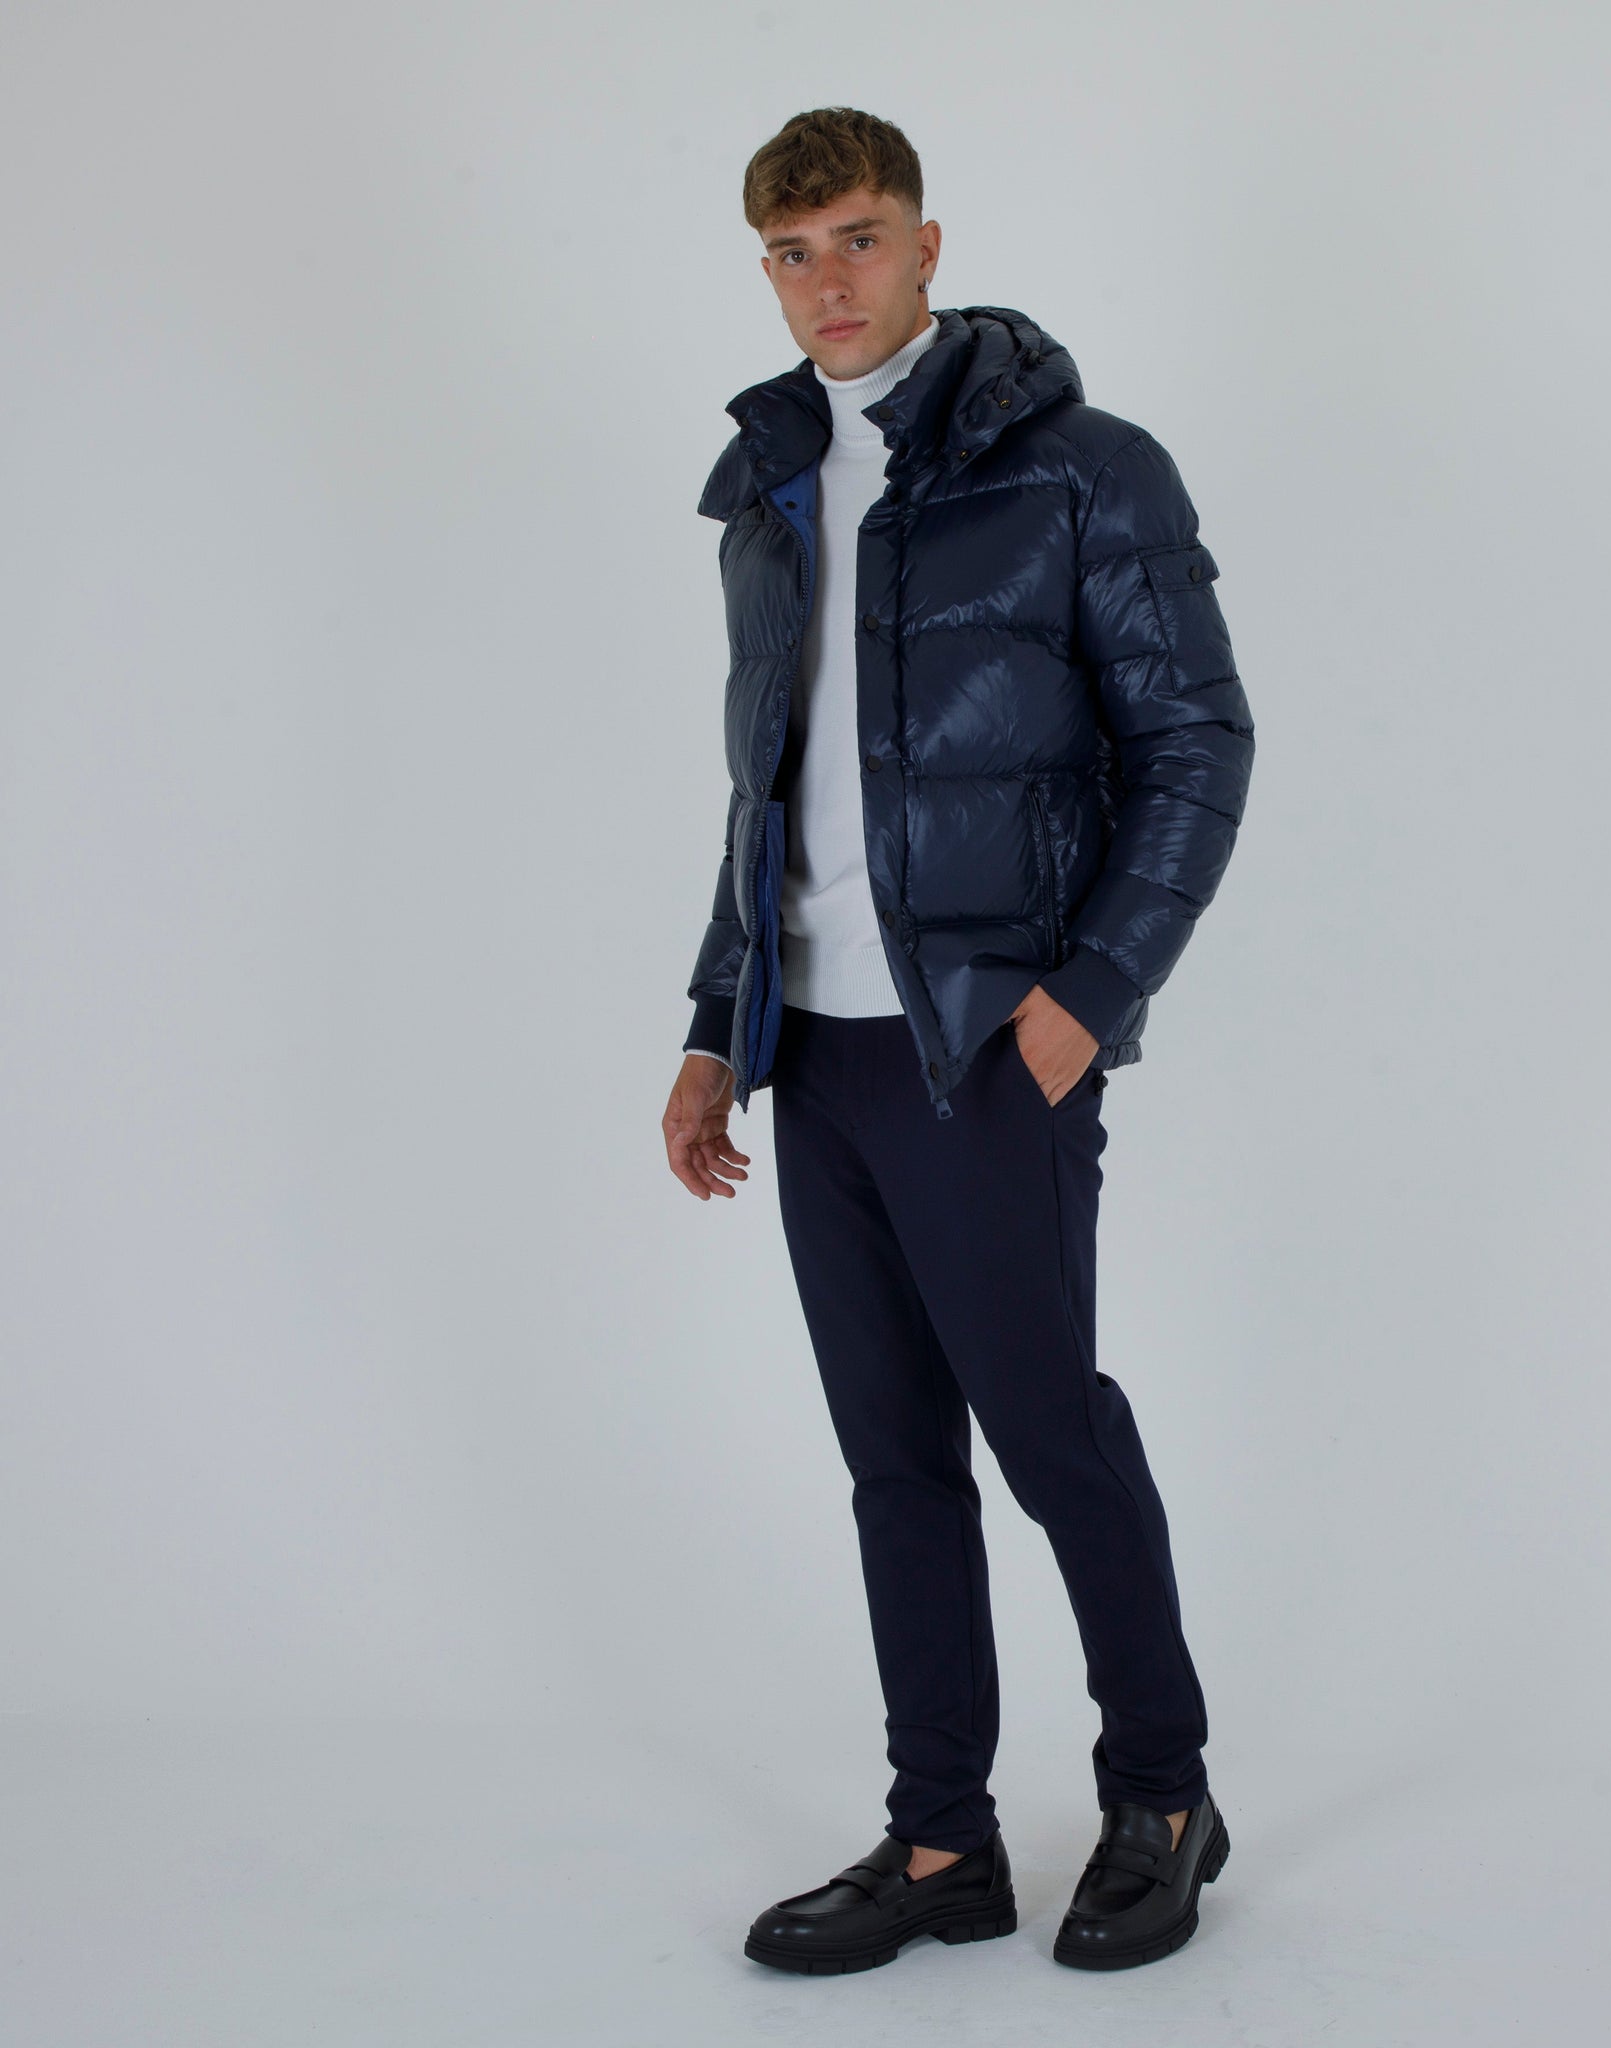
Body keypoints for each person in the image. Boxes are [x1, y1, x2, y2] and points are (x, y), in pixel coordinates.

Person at [661, 106, 1254, 1975]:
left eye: (856, 238)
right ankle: (943, 1844)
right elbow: (766, 792)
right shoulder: (767, 487)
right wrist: (716, 1022)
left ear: (926, 243)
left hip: (990, 1046)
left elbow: (1197, 745)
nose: (824, 282)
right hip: (819, 1057)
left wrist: (1092, 995)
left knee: (1050, 1433)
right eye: (790, 252)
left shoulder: (1085, 470)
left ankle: (1163, 1794)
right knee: (893, 1461)